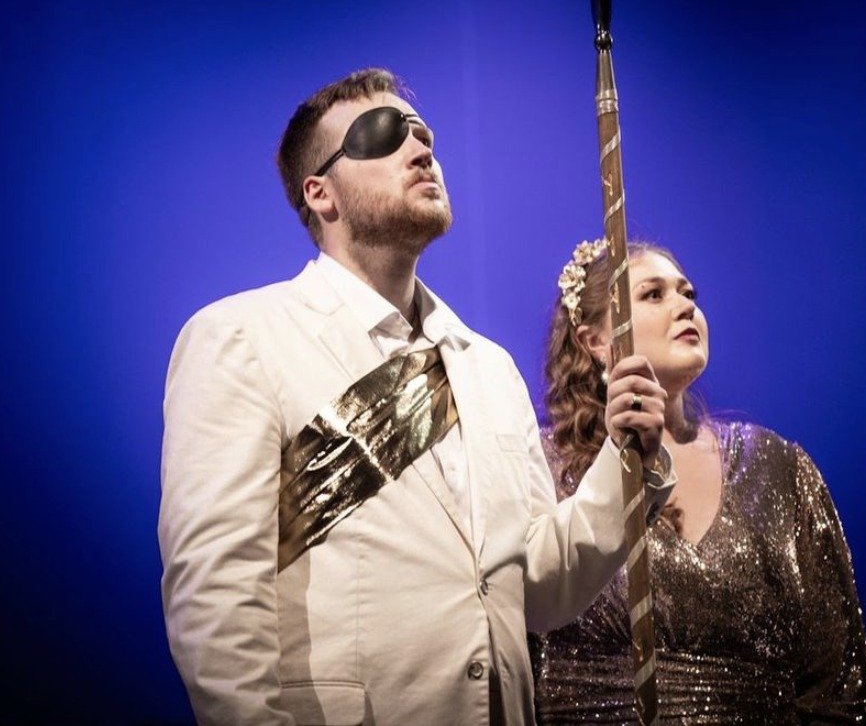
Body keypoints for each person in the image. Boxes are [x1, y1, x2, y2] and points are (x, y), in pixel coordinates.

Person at [157, 68, 678, 726]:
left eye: (424, 134)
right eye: (383, 135)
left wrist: (622, 459)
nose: (420, 148)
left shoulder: (489, 369)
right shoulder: (243, 339)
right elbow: (218, 595)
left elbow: (539, 590)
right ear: (320, 193)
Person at [530, 239, 866, 724]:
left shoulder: (777, 467)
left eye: (688, 293)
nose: (685, 306)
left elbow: (837, 682)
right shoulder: (545, 470)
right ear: (595, 340)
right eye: (653, 294)